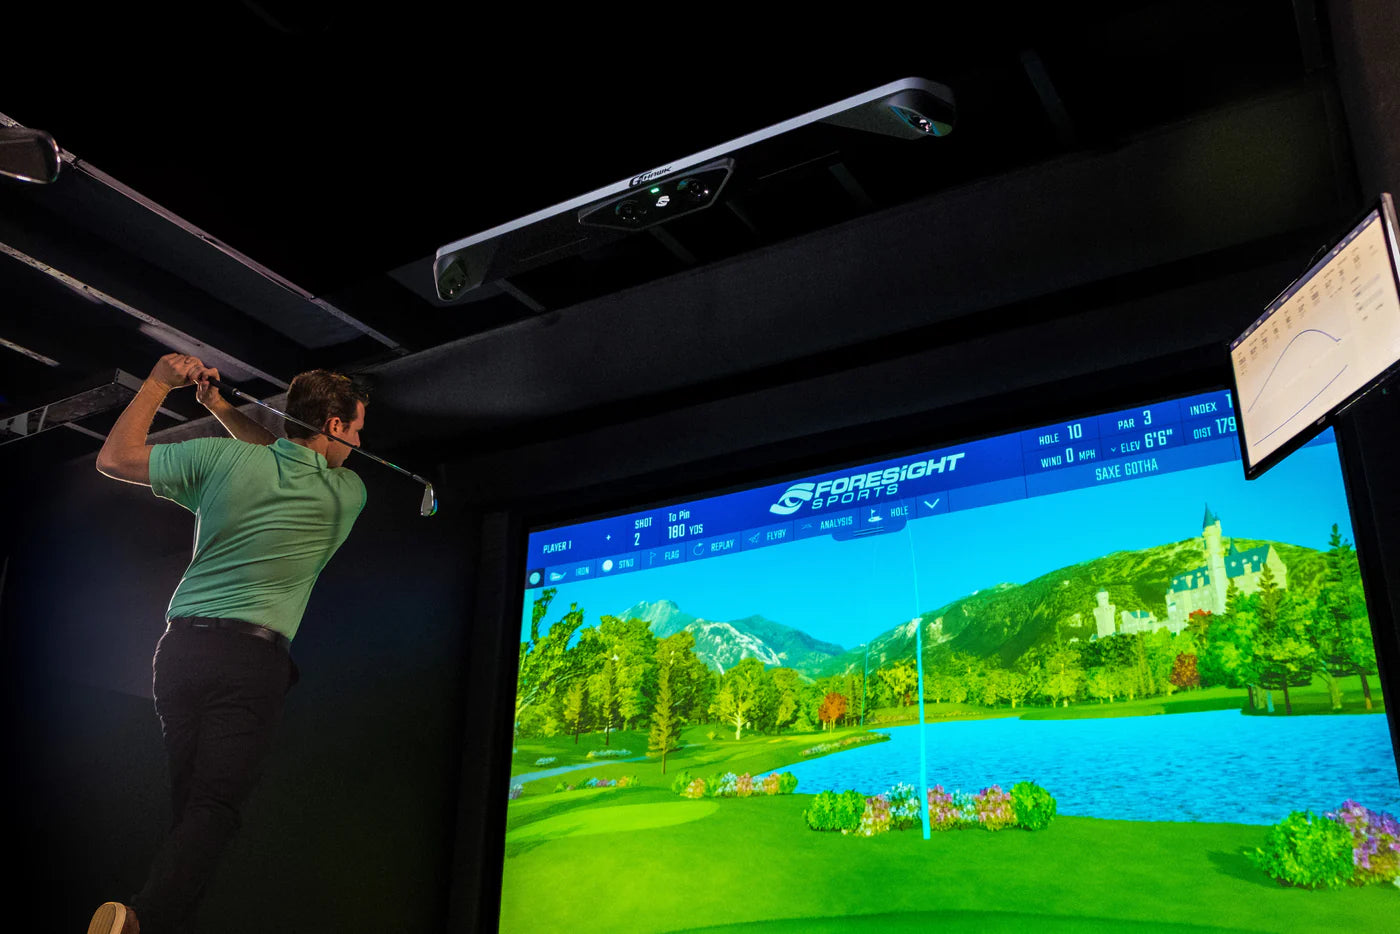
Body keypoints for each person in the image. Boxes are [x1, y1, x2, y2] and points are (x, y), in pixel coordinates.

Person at [87, 354, 368, 934]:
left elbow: (114, 458)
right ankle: (139, 922)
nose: (360, 443)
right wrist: (221, 410)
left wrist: (163, 386)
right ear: (336, 425)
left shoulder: (221, 459)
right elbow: (283, 454)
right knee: (213, 808)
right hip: (250, 663)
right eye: (357, 429)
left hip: (179, 655)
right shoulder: (347, 491)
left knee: (192, 812)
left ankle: (149, 923)